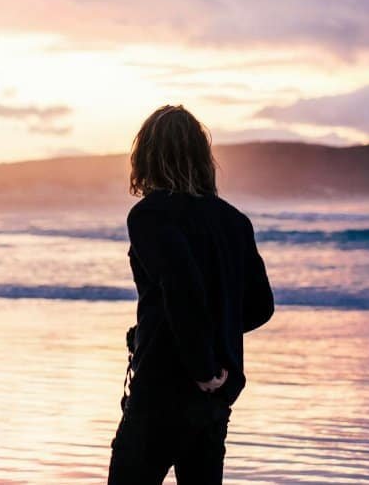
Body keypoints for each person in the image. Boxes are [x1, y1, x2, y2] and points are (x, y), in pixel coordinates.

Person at [107, 104, 275, 485]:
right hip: (215, 398)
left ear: (147, 156)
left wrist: (201, 367)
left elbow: (181, 287)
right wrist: (216, 358)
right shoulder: (234, 221)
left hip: (163, 393)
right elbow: (260, 307)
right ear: (203, 158)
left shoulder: (150, 215)